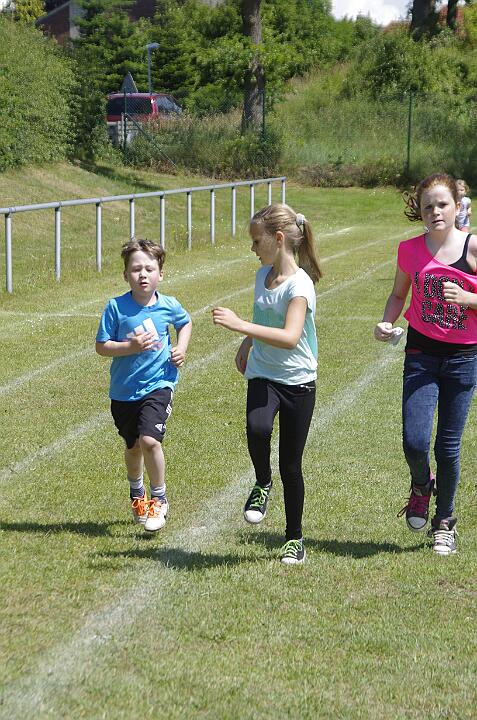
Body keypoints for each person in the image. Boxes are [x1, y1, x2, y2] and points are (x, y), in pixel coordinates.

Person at [212, 204, 321, 565]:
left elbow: (290, 336)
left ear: (278, 239)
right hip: (263, 372)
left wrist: (240, 326)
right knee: (257, 428)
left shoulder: (300, 285)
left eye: (257, 241)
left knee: (291, 465)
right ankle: (262, 482)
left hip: (298, 381)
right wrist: (247, 343)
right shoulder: (262, 275)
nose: (253, 248)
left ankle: (294, 538)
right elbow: (265, 317)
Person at [374, 173, 477, 555]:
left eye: (442, 204)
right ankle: (421, 483)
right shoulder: (409, 250)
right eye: (428, 205)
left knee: (448, 447)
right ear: (419, 210)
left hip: (464, 358)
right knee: (415, 441)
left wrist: (468, 299)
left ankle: (444, 522)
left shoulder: (472, 247)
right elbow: (398, 294)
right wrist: (387, 321)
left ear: (457, 206)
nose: (435, 211)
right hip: (421, 355)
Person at [95, 239, 192, 532]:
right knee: (134, 446)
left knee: (150, 441)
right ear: (126, 274)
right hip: (124, 391)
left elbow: (185, 323)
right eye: (136, 269)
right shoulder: (116, 307)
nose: (143, 275)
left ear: (160, 273)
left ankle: (159, 499)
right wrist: (131, 346)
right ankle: (137, 493)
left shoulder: (168, 305)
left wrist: (181, 347)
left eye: (150, 269)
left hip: (160, 384)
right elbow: (102, 346)